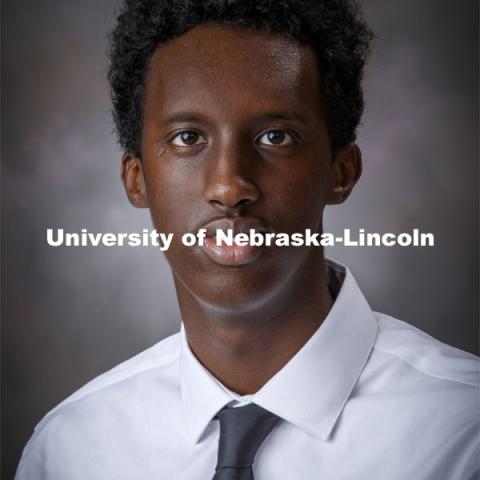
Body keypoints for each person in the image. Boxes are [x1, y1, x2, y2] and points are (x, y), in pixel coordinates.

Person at [15, 1, 479, 479]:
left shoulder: (463, 431)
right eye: (187, 138)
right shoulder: (70, 447)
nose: (229, 186)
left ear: (342, 172)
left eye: (276, 137)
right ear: (136, 180)